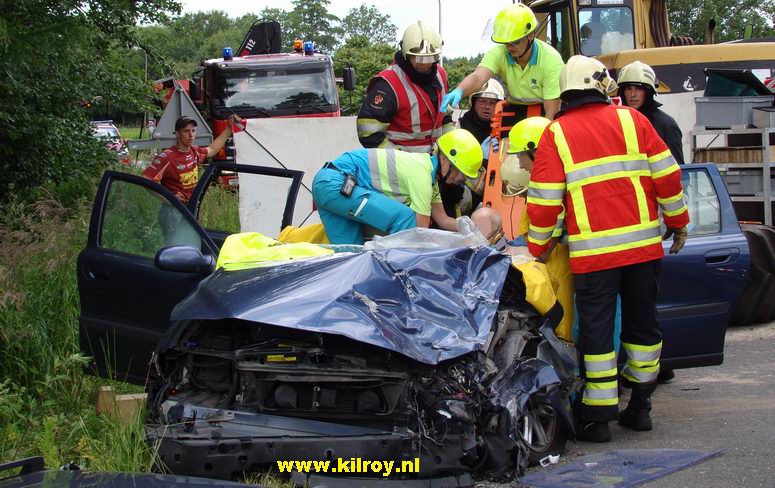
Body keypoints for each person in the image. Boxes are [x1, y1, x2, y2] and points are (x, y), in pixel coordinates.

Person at [526, 55, 690, 443]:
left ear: (565, 92)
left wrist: (538, 246)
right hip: (643, 251)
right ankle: (641, 407)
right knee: (642, 325)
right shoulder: (634, 121)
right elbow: (668, 176)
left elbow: (545, 200)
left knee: (597, 333)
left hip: (594, 257)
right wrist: (678, 222)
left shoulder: (556, 133)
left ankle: (598, 418)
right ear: (602, 86)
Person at [312, 129, 482, 245]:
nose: (460, 179)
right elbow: (420, 230)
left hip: (328, 185)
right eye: (459, 171)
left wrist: (474, 228)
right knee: (407, 219)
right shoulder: (421, 175)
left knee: (350, 255)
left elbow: (443, 220)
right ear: (444, 159)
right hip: (338, 183)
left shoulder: (429, 178)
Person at [440, 3, 564, 120]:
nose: (509, 47)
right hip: (515, 109)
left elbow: (551, 112)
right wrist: (459, 91)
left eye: (515, 42)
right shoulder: (500, 53)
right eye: (505, 42)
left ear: (530, 36)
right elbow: (478, 77)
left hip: (543, 109)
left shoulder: (551, 60)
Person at [357, 21, 454, 154]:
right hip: (402, 162)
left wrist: (452, 145)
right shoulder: (387, 83)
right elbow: (368, 133)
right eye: (418, 58)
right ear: (406, 55)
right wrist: (401, 160)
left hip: (437, 158)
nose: (424, 64)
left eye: (430, 58)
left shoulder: (440, 74)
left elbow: (445, 119)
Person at [143, 114, 240, 244]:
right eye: (186, 131)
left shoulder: (194, 151)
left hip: (190, 209)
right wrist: (170, 199)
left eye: (193, 131)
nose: (191, 135)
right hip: (173, 213)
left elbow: (212, 149)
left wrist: (228, 128)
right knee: (176, 249)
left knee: (192, 245)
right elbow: (146, 180)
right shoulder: (167, 157)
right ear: (178, 134)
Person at [441, 79, 506, 217]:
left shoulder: (505, 132)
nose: (487, 107)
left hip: (493, 196)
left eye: (492, 103)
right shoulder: (459, 126)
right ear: (474, 102)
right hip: (457, 189)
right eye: (482, 101)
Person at [618, 61, 684, 164]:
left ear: (648, 92)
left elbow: (678, 167)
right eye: (628, 88)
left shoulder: (665, 125)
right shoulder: (618, 123)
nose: (633, 94)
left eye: (639, 89)